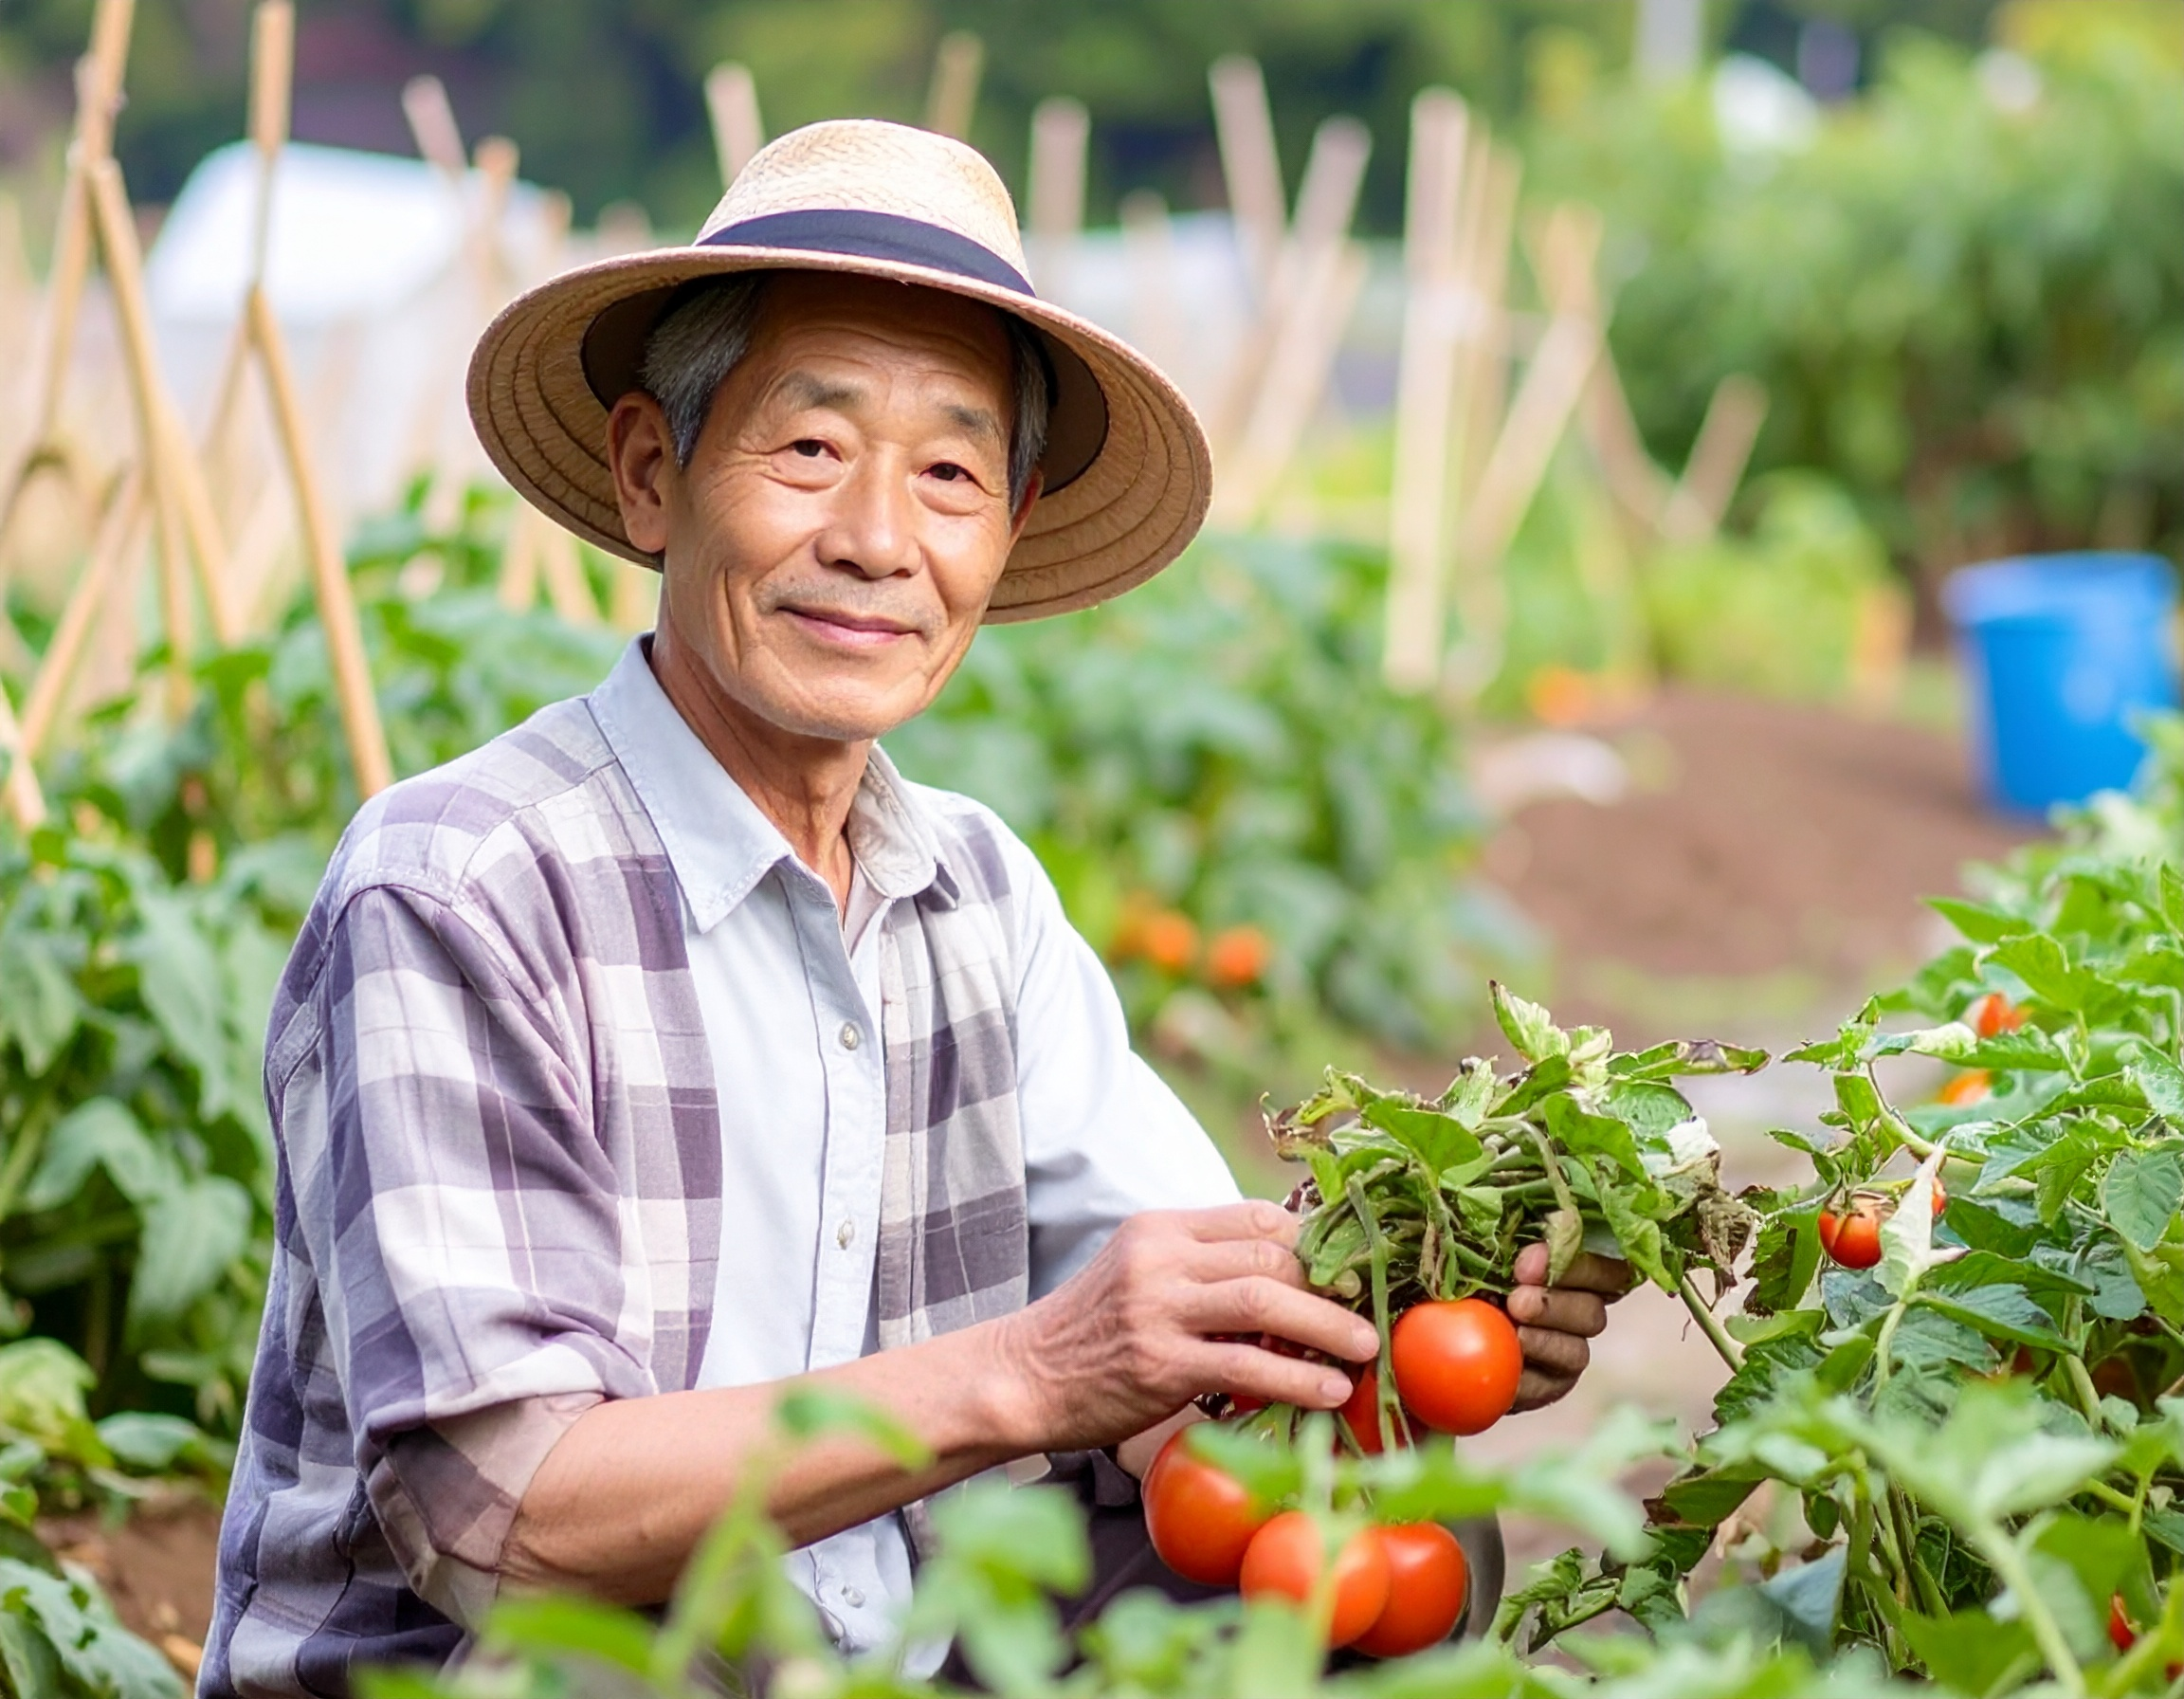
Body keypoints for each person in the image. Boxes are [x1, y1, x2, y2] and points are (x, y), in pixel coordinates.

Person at [202, 119, 1626, 1698]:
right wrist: (1026, 1371)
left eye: (949, 474)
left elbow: (1188, 1349)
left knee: (1389, 1576)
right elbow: (501, 1514)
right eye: (810, 450)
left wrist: (1413, 1313)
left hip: (872, 1660)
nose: (879, 540)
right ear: (652, 474)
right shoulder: (465, 882)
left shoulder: (977, 895)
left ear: (1002, 540)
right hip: (519, 1674)